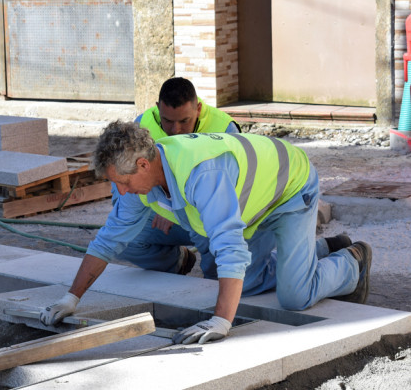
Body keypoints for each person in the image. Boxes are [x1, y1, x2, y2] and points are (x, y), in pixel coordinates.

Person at [41, 121, 371, 346]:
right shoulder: (143, 182)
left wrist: (221, 321)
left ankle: (351, 262)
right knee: (250, 283)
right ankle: (317, 250)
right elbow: (110, 240)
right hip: (250, 201)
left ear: (143, 165)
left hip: (287, 192)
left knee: (295, 297)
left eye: (123, 182)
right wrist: (71, 298)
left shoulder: (202, 173)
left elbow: (230, 247)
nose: (122, 191)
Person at [120, 77, 240, 277]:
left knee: (217, 277)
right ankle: (178, 262)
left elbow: (233, 194)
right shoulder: (141, 125)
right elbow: (127, 192)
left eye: (184, 121)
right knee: (125, 239)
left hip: (211, 218)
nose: (176, 130)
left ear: (198, 108)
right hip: (168, 217)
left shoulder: (225, 128)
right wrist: (165, 207)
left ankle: (216, 278)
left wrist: (175, 208)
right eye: (167, 120)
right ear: (158, 108)